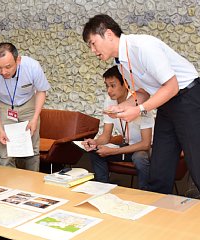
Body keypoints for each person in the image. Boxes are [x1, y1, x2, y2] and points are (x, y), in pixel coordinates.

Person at [83, 14, 200, 194]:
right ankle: (158, 215)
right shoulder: (121, 63)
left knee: (196, 162)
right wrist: (123, 106)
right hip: (167, 104)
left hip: (188, 99)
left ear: (108, 34)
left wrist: (139, 109)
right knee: (160, 166)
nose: (92, 50)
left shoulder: (142, 46)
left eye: (92, 43)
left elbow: (172, 86)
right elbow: (143, 92)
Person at [0, 42, 50, 172]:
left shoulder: (32, 66)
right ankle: (8, 182)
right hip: (3, 105)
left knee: (32, 147)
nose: (3, 72)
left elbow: (41, 91)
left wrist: (35, 118)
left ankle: (32, 183)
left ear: (18, 60)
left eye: (8, 67)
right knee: (5, 148)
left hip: (28, 103)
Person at [82, 66, 154, 189]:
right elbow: (106, 136)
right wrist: (95, 142)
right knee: (95, 151)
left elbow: (146, 144)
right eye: (106, 86)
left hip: (147, 149)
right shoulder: (110, 101)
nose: (109, 90)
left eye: (113, 85)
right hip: (127, 146)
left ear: (125, 84)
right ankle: (103, 188)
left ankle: (146, 193)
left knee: (139, 157)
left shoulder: (139, 103)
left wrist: (113, 151)